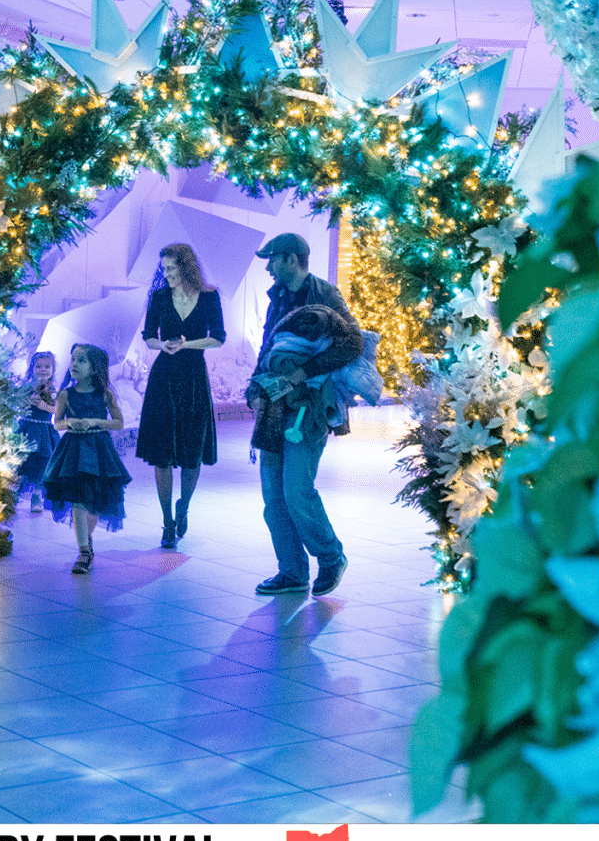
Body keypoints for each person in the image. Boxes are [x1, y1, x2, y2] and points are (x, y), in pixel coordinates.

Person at [246, 233, 363, 597]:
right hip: (273, 406)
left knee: (296, 489)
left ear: (293, 259)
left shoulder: (325, 295)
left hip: (308, 409)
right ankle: (292, 571)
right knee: (273, 496)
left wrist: (303, 372)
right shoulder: (277, 298)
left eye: (273, 260)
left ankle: (330, 557)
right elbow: (269, 345)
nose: (268, 267)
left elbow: (353, 343)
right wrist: (254, 385)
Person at [135, 243, 225, 549]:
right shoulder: (159, 297)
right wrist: (164, 346)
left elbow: (218, 337)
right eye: (164, 268)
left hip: (194, 378)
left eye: (172, 268)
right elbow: (148, 336)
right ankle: (167, 522)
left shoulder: (210, 296)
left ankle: (183, 506)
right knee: (162, 453)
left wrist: (186, 345)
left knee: (191, 451)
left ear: (186, 267)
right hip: (164, 378)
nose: (166, 274)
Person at [43, 344, 132, 574]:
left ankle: (87, 541)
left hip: (99, 450)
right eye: (73, 359)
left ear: (94, 368)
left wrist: (94, 422)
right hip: (73, 451)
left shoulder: (105, 395)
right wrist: (70, 423)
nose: (74, 364)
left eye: (81, 360)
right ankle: (83, 551)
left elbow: (118, 422)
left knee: (95, 502)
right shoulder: (65, 394)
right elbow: (57, 422)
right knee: (78, 500)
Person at [17, 351, 59, 513]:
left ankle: (36, 495)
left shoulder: (53, 390)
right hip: (27, 428)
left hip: (44, 431)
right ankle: (13, 493)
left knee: (42, 464)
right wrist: (27, 400)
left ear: (53, 369)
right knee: (21, 461)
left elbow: (57, 410)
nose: (43, 370)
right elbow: (17, 404)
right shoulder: (27, 387)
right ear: (32, 369)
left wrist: (45, 407)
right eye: (38, 366)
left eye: (47, 366)